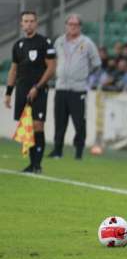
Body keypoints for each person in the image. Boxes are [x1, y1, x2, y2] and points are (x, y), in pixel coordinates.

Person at [3, 11, 56, 173]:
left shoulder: (45, 42)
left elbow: (52, 68)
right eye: (26, 21)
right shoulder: (18, 45)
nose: (29, 24)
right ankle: (32, 164)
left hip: (39, 90)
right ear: (21, 24)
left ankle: (37, 165)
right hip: (22, 90)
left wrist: (37, 87)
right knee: (28, 128)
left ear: (37, 23)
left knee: (38, 125)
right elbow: (13, 70)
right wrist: (8, 93)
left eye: (32, 21)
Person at [48, 13, 101, 160]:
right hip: (61, 87)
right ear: (66, 26)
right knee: (59, 121)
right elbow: (52, 60)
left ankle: (79, 152)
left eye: (75, 25)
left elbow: (96, 64)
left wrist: (84, 75)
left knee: (79, 122)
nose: (72, 27)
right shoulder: (58, 41)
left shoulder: (87, 43)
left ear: (80, 27)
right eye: (70, 24)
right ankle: (57, 150)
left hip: (78, 89)